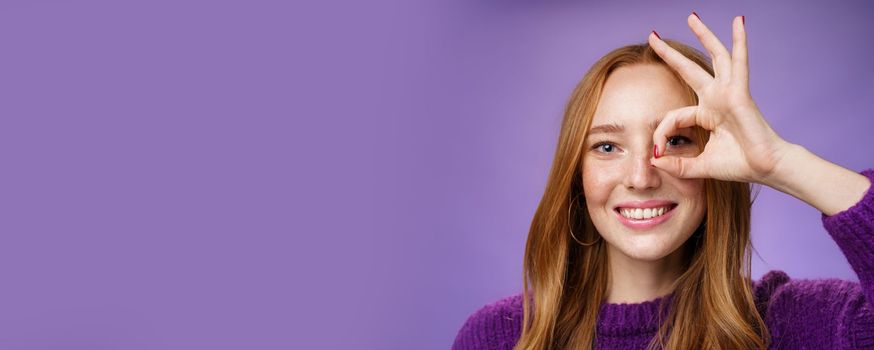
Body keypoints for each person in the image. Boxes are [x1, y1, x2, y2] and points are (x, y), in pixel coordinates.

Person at [452, 13, 874, 350]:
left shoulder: (789, 322)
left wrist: (780, 162)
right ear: (576, 174)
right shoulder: (500, 337)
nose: (640, 177)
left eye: (675, 140)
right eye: (606, 147)